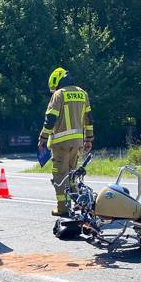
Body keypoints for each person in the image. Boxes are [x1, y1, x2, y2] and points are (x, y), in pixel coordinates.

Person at [37, 67, 94, 216]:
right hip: (77, 143)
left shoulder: (59, 94)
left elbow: (50, 119)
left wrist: (42, 139)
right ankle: (79, 205)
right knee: (72, 175)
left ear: (57, 82)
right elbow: (89, 119)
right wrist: (89, 139)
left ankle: (62, 208)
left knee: (59, 176)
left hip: (61, 144)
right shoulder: (83, 94)